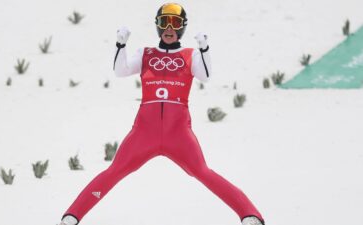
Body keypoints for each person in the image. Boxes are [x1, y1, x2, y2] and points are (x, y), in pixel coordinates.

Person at [58, 3, 264, 225]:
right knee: (115, 171)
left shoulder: (189, 55)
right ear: (157, 25)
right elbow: (121, 71)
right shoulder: (146, 53)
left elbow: (204, 75)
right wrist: (121, 44)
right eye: (163, 22)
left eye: (174, 23)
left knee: (203, 172)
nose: (169, 28)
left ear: (182, 27)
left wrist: (204, 48)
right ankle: (72, 215)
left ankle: (249, 214)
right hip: (144, 132)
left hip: (178, 132)